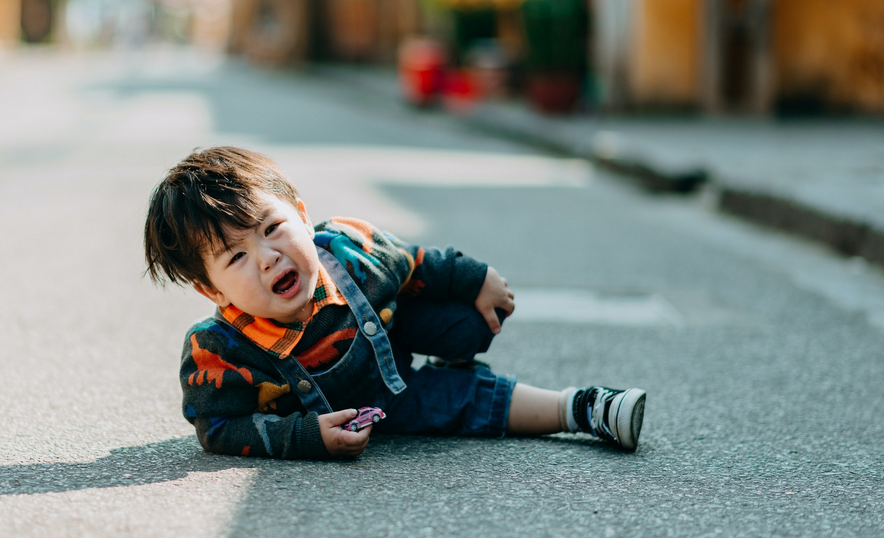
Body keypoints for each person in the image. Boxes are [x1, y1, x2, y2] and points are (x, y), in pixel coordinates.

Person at [143, 146, 646, 459]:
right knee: (468, 399)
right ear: (212, 290)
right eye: (236, 257)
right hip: (380, 407)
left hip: (389, 339)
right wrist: (306, 437)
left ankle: (456, 351)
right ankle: (581, 408)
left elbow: (411, 261)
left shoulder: (347, 249)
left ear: (301, 214)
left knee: (470, 318)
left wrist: (475, 278)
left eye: (273, 229)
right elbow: (220, 428)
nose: (269, 258)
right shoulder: (218, 351)